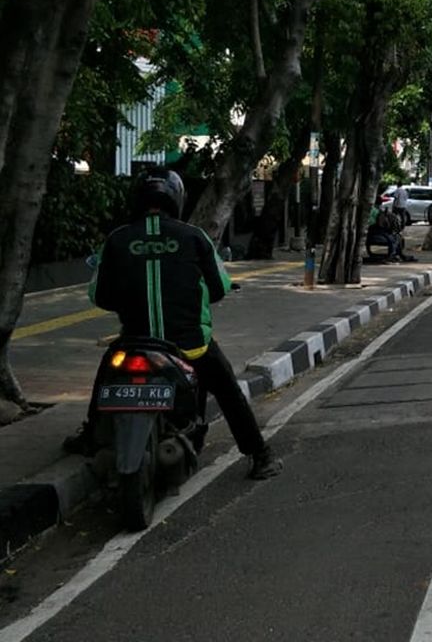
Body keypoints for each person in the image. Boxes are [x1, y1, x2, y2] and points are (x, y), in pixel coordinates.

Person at [64, 167, 282, 480]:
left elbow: (98, 295)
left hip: (134, 344)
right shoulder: (194, 237)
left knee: (105, 374)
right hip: (188, 347)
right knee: (228, 390)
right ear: (177, 199)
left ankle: (89, 435)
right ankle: (260, 456)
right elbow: (219, 287)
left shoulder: (117, 239)